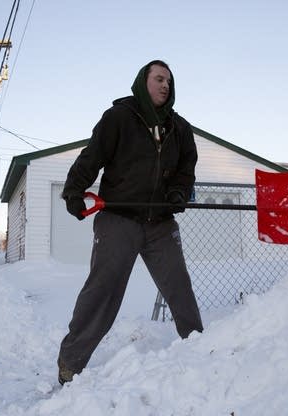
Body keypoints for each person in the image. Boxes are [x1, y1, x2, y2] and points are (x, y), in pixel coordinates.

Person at [57, 59, 204, 385]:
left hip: (160, 223)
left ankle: (200, 352)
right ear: (143, 82)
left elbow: (185, 169)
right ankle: (70, 362)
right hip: (118, 220)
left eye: (169, 81)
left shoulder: (180, 129)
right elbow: (92, 155)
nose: (165, 85)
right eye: (158, 79)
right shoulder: (119, 118)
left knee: (179, 288)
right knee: (102, 292)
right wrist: (73, 191)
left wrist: (179, 193)